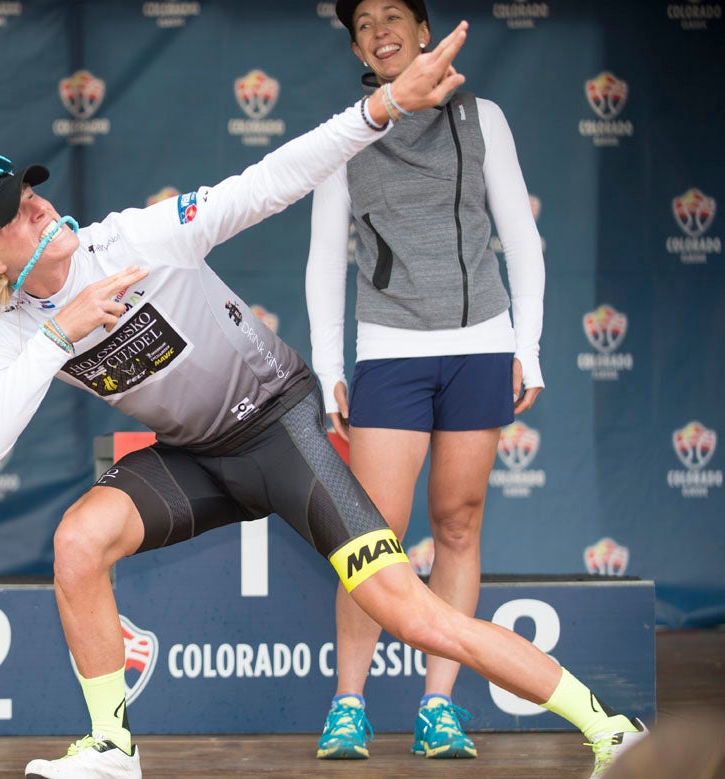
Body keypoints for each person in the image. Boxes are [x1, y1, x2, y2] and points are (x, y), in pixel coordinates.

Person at [0, 22, 642, 779]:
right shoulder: (12, 332)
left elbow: (270, 180)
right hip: (199, 459)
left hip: (281, 426)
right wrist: (59, 338)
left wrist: (380, 111)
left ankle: (610, 726)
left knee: (413, 614)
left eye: (31, 190)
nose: (36, 205)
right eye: (13, 210)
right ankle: (112, 748)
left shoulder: (136, 238)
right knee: (78, 542)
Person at [305, 0, 545, 762]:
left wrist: (529, 347)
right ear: (357, 47)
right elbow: (322, 260)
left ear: (421, 31)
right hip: (391, 347)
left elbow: (521, 237)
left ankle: (438, 705)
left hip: (482, 343)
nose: (379, 28)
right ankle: (349, 704)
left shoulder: (485, 118)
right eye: (364, 21)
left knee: (459, 524)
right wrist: (328, 365)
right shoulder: (346, 132)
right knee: (373, 537)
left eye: (393, 13)